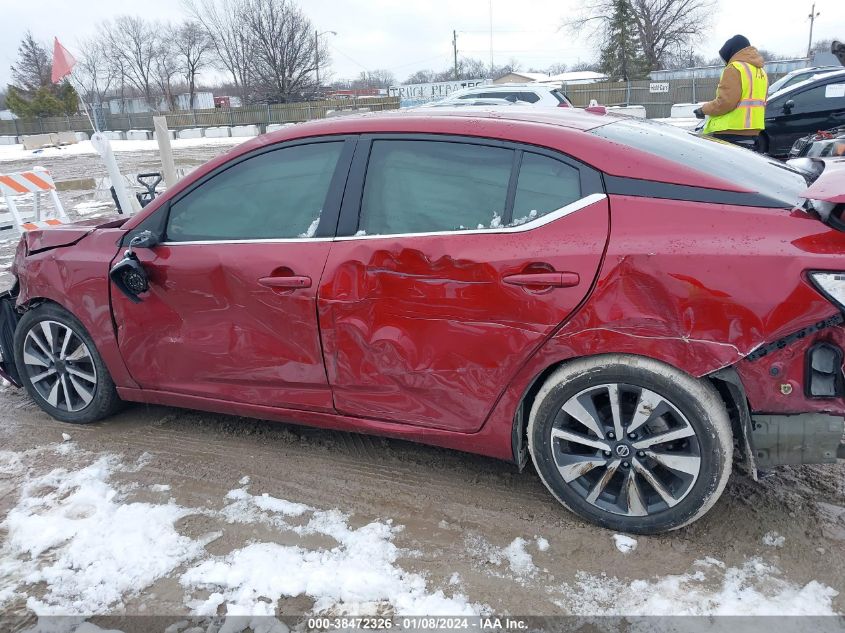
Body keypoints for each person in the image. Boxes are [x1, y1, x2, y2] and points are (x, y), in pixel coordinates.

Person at [694, 35, 768, 150]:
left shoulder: (734, 68)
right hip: (753, 131)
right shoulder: (761, 72)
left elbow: (725, 102)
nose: (725, 62)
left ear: (731, 53)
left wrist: (703, 109)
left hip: (730, 131)